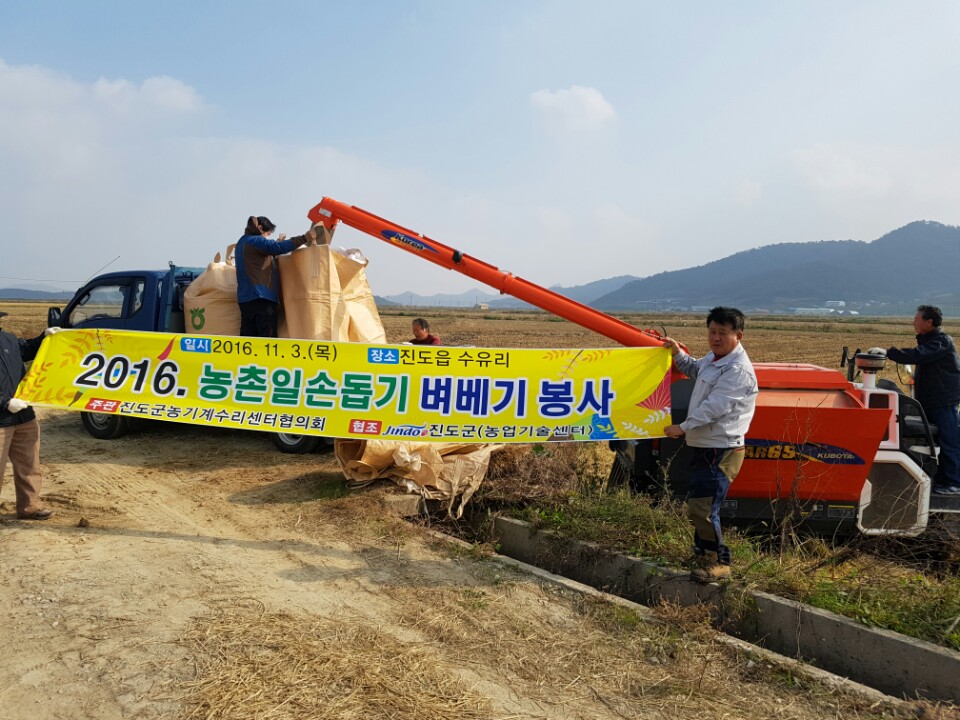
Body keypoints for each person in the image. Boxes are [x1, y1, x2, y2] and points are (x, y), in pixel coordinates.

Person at [662, 307, 759, 582]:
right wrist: (676, 354)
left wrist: (682, 427)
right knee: (699, 502)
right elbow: (694, 367)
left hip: (721, 449)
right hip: (705, 445)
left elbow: (714, 408)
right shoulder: (715, 359)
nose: (715, 338)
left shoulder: (737, 370)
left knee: (703, 507)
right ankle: (703, 554)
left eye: (722, 333)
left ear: (738, 335)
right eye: (712, 332)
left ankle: (720, 562)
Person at [886, 305, 960, 495]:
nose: (914, 322)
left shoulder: (941, 341)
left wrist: (890, 352)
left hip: (943, 400)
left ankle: (953, 484)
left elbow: (919, 355)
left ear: (929, 322)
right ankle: (939, 480)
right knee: (931, 441)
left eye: (917, 319)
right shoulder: (929, 340)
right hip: (929, 400)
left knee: (948, 440)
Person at [0, 312, 60, 520]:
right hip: (1, 417)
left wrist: (45, 337)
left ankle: (30, 506)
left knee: (29, 464)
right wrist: (5, 402)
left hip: (23, 415)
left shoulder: (7, 338)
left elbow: (25, 349)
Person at [236, 215, 315, 338]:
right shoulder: (256, 240)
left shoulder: (242, 241)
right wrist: (305, 238)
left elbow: (259, 257)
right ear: (260, 228)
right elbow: (276, 248)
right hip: (261, 298)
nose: (267, 238)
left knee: (248, 340)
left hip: (245, 299)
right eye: (267, 234)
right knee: (267, 339)